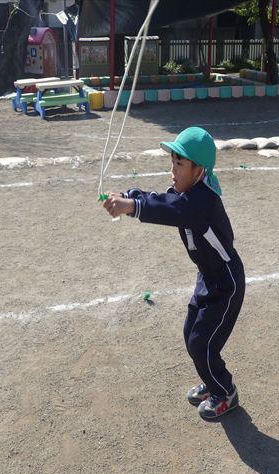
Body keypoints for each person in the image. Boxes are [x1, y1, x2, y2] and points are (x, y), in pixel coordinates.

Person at [102, 126, 245, 420]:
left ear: (199, 170)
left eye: (180, 164)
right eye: (172, 162)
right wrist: (128, 196)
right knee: (191, 334)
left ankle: (224, 391)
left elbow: (172, 210)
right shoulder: (187, 194)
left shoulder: (202, 202)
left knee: (202, 343)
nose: (173, 170)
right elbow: (163, 200)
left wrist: (132, 206)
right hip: (207, 278)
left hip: (226, 284)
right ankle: (211, 381)